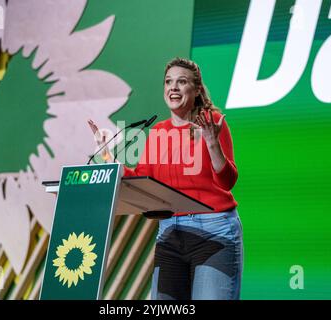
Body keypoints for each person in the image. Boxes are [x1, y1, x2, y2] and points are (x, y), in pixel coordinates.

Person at [88, 57, 243, 300]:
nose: (173, 87)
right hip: (171, 233)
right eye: (169, 82)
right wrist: (107, 154)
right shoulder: (159, 131)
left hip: (215, 231)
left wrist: (212, 143)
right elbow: (140, 180)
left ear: (197, 90)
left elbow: (227, 182)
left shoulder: (212, 123)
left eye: (182, 82)